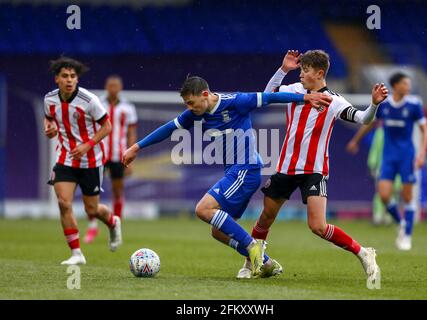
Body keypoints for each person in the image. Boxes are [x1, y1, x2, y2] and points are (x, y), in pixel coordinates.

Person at [123, 75, 332, 278]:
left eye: (191, 103)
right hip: (235, 172)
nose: (189, 108)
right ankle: (266, 262)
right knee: (219, 231)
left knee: (203, 209)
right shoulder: (195, 114)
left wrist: (305, 97)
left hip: (246, 169)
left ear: (205, 94)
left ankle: (254, 249)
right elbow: (168, 128)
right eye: (187, 104)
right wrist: (136, 147)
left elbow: (270, 97)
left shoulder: (236, 102)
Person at [240, 50, 386, 283]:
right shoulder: (293, 91)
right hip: (286, 167)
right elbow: (266, 95)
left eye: (305, 70)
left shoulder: (334, 101)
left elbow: (363, 119)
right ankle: (250, 263)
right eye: (300, 70)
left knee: (318, 226)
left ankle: (363, 252)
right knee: (266, 217)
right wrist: (283, 70)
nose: (301, 75)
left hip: (314, 170)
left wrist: (374, 105)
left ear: (319, 73)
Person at [44, 57, 122, 265]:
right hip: (65, 158)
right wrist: (49, 127)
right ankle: (77, 253)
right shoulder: (49, 100)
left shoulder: (89, 101)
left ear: (77, 79)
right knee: (64, 203)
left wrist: (87, 145)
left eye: (73, 76)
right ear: (57, 79)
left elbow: (107, 127)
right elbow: (49, 117)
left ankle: (113, 222)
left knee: (92, 210)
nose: (69, 80)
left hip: (91, 161)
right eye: (65, 76)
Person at [346, 72, 427, 250]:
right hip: (388, 157)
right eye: (405, 84)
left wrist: (422, 153)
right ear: (396, 86)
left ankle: (407, 236)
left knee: (407, 197)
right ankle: (402, 223)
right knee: (384, 195)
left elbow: (425, 130)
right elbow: (370, 124)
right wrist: (355, 141)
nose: (408, 87)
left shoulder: (414, 106)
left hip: (407, 157)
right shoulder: (385, 106)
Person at [84, 75, 137, 244]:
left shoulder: (128, 108)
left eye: (116, 85)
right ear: (106, 87)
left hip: (118, 155)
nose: (113, 88)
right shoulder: (97, 104)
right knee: (92, 193)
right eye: (110, 85)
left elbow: (131, 133)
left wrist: (131, 157)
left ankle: (115, 225)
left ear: (120, 88)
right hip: (99, 154)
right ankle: (92, 226)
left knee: (117, 190)